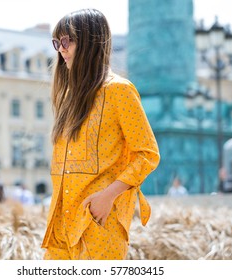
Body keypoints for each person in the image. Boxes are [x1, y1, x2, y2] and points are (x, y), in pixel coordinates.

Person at [41, 9, 160, 260]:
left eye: (67, 40)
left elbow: (147, 154)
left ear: (90, 41)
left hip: (99, 223)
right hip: (61, 226)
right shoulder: (68, 98)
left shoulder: (119, 91)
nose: (61, 49)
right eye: (57, 42)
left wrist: (108, 196)